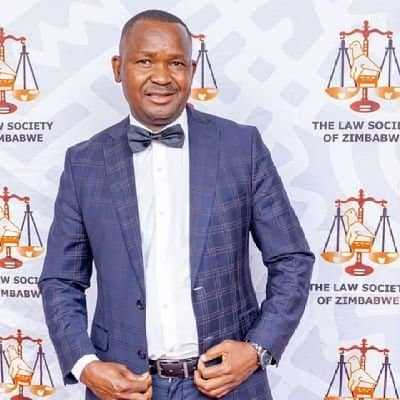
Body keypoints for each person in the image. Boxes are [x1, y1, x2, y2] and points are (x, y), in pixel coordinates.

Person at [38, 9, 315, 400]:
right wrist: (85, 365)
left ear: (192, 70)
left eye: (177, 63)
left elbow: (292, 259)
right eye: (145, 61)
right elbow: (61, 280)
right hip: (125, 388)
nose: (162, 76)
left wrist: (256, 349)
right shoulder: (84, 162)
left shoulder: (241, 148)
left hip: (228, 386)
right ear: (118, 68)